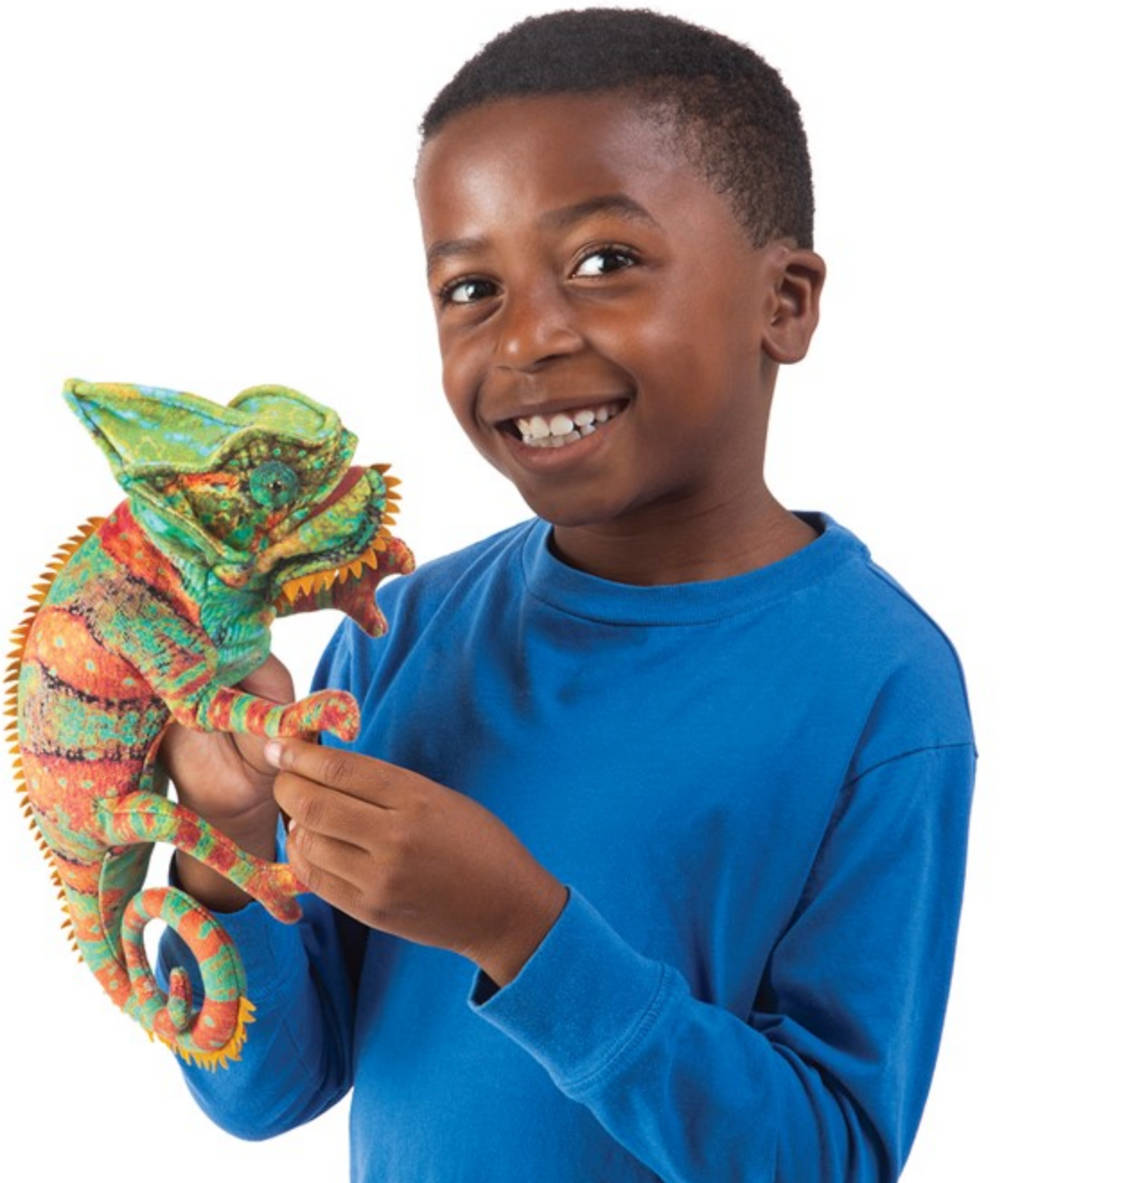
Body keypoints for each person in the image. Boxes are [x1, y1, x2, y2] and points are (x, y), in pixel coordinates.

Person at [159, 9, 976, 1181]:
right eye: (470, 287)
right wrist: (227, 840)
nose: (525, 339)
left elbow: (830, 1156)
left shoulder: (879, 681)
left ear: (782, 301)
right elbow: (269, 1088)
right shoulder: (397, 634)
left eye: (603, 263)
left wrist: (520, 930)